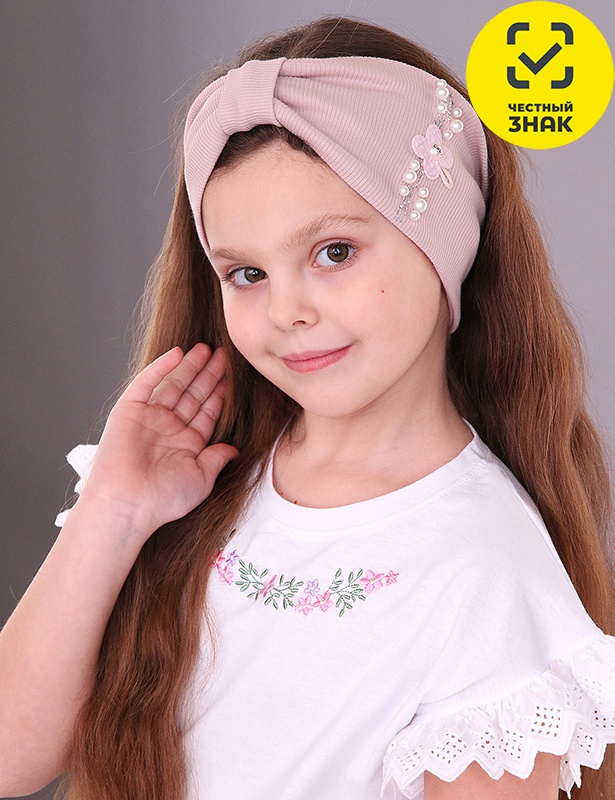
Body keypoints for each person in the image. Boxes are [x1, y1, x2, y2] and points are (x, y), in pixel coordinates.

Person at [0, 15, 614, 800]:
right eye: (247, 274)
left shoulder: (485, 571)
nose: (287, 310)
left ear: (445, 244)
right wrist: (115, 510)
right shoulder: (197, 475)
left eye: (333, 253)